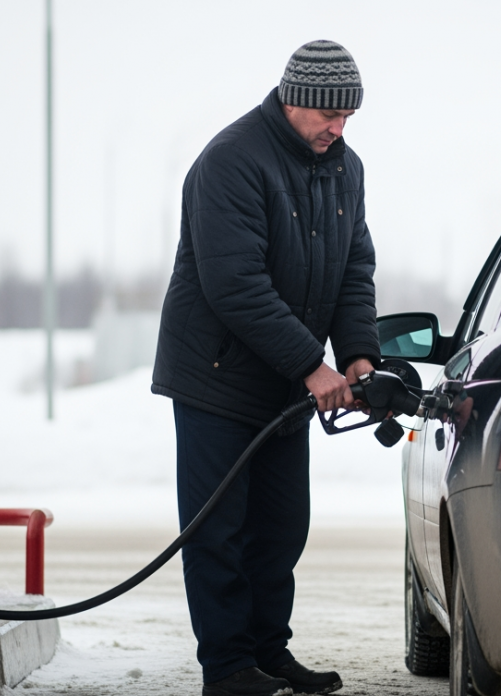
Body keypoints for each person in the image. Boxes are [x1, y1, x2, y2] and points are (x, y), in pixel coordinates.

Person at [152, 40, 380, 696]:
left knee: (281, 530)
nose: (339, 129)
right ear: (293, 100)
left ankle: (267, 654)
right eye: (330, 115)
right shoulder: (231, 161)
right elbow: (236, 284)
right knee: (220, 534)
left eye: (349, 117)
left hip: (284, 384)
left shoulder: (346, 168)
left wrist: (357, 355)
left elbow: (353, 268)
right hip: (216, 377)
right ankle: (228, 669)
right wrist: (312, 364)